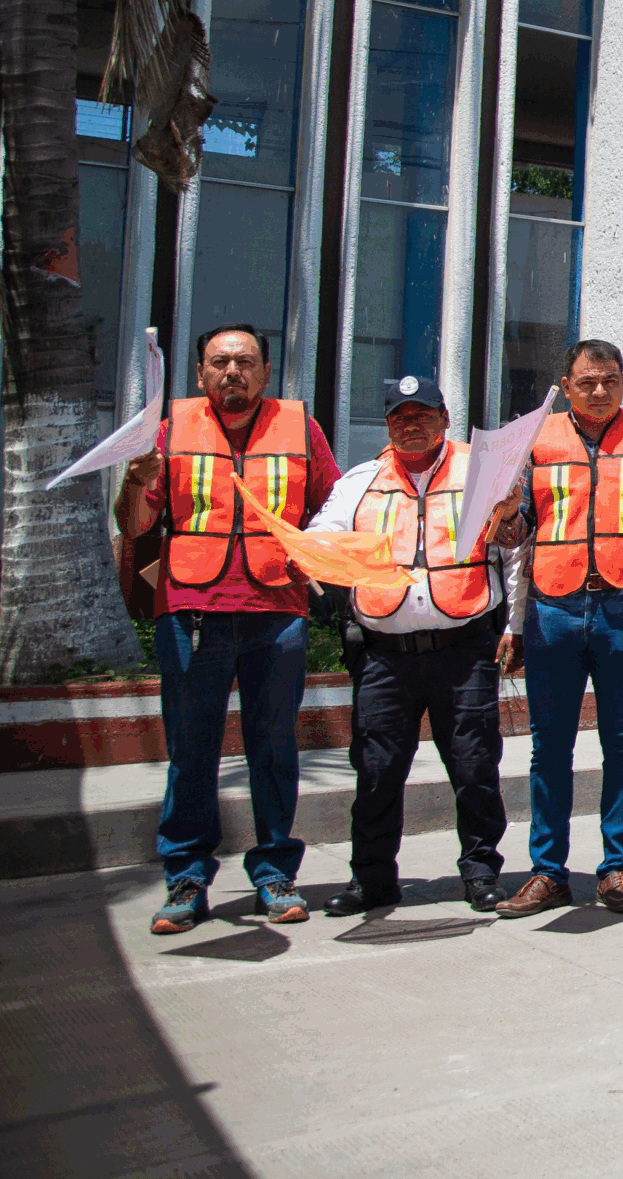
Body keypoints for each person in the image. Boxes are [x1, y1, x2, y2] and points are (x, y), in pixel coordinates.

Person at [118, 325, 342, 934]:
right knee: (192, 751)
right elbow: (138, 525)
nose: (232, 372)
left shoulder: (301, 429)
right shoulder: (170, 433)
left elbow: (331, 506)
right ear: (200, 374)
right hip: (192, 612)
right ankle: (187, 877)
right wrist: (135, 482)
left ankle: (274, 873)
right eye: (220, 362)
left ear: (267, 373)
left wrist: (321, 560)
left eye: (245, 362)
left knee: (274, 748)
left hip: (277, 613)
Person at [307, 376, 519, 917]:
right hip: (384, 654)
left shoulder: (482, 474)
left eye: (423, 413)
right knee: (377, 770)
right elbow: (324, 535)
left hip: (464, 648)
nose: (412, 424)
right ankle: (372, 880)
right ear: (388, 425)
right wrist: (320, 555)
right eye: (401, 416)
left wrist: (515, 627)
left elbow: (517, 553)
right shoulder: (360, 481)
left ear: (445, 418)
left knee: (474, 765)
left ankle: (480, 873)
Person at [493, 340, 623, 919]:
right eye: (586, 382)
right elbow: (516, 533)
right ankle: (548, 871)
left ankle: (616, 869)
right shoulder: (536, 440)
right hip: (553, 609)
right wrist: (502, 513)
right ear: (566, 383)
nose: (599, 391)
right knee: (549, 746)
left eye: (609, 381)